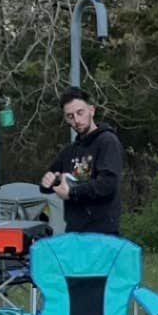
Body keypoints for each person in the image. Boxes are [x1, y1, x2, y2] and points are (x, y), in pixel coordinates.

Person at [39, 90, 123, 236]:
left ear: (91, 110)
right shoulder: (70, 151)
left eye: (80, 112)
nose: (76, 120)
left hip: (102, 231)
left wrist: (72, 192)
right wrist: (49, 181)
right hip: (74, 231)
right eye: (70, 116)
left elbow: (107, 184)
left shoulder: (107, 141)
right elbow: (49, 181)